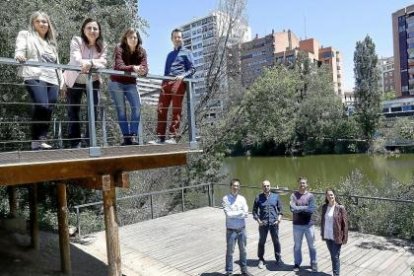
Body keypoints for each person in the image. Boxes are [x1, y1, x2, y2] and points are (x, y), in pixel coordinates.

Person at [15, 11, 63, 150]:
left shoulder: (51, 43)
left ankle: (39, 141)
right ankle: (37, 139)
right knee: (42, 104)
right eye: (38, 21)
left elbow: (57, 64)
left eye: (45, 21)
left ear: (48, 25)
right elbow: (20, 49)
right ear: (33, 23)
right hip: (34, 75)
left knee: (48, 108)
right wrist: (19, 55)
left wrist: (62, 83)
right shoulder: (26, 35)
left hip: (52, 79)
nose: (42, 24)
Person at [63, 18, 107, 148]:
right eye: (89, 28)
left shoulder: (102, 45)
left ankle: (89, 140)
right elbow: (75, 58)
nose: (92, 31)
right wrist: (89, 62)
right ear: (83, 29)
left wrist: (90, 63)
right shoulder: (76, 40)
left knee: (94, 110)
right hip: (75, 80)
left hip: (92, 81)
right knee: (73, 110)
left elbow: (103, 63)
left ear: (99, 31)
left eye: (95, 28)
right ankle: (75, 142)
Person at [148, 28, 195, 145]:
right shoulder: (169, 55)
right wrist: (162, 84)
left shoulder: (187, 52)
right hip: (166, 82)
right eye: (175, 37)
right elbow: (165, 71)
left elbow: (193, 69)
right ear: (172, 39)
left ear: (182, 38)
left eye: (179, 37)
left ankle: (173, 136)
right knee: (160, 108)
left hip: (178, 81)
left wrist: (183, 76)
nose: (177, 39)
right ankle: (160, 137)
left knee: (176, 109)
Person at [109, 28, 148, 146]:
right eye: (130, 37)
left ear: (138, 39)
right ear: (126, 39)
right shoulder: (119, 48)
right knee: (121, 111)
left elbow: (145, 68)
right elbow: (119, 66)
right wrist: (133, 67)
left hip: (131, 83)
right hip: (116, 82)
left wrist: (142, 71)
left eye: (135, 37)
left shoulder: (142, 51)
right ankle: (126, 138)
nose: (133, 39)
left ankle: (133, 135)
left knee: (137, 107)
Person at [222, 179, 252, 276]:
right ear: (230, 186)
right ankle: (229, 271)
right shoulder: (225, 199)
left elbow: (246, 213)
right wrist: (240, 212)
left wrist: (236, 213)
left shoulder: (242, 199)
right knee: (230, 252)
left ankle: (244, 270)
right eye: (234, 185)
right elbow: (228, 215)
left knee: (243, 251)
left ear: (239, 187)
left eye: (237, 186)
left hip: (242, 230)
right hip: (231, 231)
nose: (235, 187)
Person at [252, 180, 283, 269]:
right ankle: (261, 259)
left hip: (274, 223)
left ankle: (278, 258)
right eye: (264, 186)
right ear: (262, 187)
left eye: (268, 186)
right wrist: (258, 221)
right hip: (263, 224)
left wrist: (279, 220)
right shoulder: (258, 197)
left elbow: (280, 210)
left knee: (276, 242)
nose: (266, 187)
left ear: (270, 186)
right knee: (261, 242)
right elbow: (254, 211)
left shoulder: (276, 196)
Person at [290, 177, 318, 272]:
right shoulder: (293, 195)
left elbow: (311, 210)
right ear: (298, 184)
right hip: (297, 225)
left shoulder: (311, 196)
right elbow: (292, 209)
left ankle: (313, 263)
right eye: (300, 183)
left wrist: (299, 208)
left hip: (309, 225)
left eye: (304, 183)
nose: (302, 185)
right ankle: (297, 263)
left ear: (307, 185)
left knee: (312, 246)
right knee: (297, 246)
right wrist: (305, 207)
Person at [321, 189, 348, 276]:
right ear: (326, 196)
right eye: (328, 195)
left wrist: (345, 238)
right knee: (333, 256)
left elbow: (345, 224)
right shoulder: (324, 207)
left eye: (331, 195)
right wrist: (322, 232)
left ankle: (336, 274)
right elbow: (323, 221)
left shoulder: (340, 208)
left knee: (335, 256)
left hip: (337, 236)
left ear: (334, 195)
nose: (330, 196)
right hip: (328, 235)